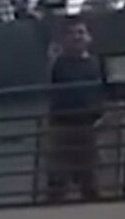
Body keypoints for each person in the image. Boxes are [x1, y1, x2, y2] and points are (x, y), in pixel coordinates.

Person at [45, 19, 105, 203]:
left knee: (89, 178)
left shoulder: (97, 64)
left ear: (89, 38)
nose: (77, 37)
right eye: (72, 33)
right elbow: (47, 83)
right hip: (62, 126)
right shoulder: (58, 64)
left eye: (81, 32)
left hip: (88, 125)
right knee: (57, 178)